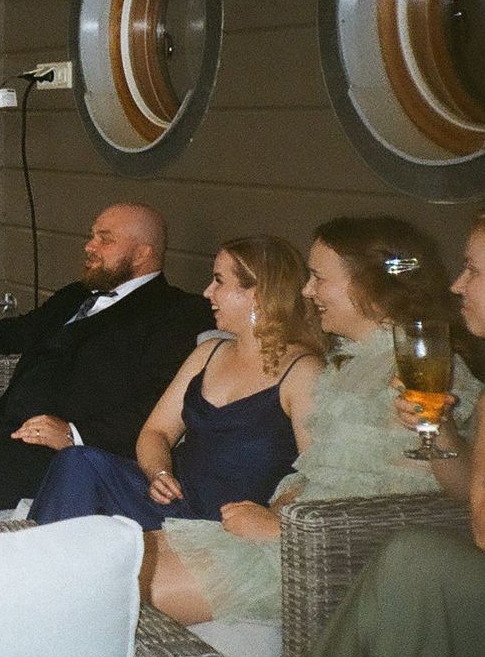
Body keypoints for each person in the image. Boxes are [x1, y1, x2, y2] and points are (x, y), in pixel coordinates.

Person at [149, 216, 481, 626]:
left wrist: (284, 530)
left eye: (319, 278)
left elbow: (445, 501)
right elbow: (316, 471)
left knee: (125, 583)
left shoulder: (427, 366)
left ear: (366, 285)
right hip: (295, 534)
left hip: (326, 564)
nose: (306, 291)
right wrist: (275, 510)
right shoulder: (345, 364)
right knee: (123, 553)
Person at [0, 202, 213, 543]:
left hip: (62, 452)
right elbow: (20, 330)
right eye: (92, 236)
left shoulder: (176, 314)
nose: (89, 247)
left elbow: (155, 405)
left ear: (142, 254)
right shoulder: (76, 295)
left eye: (105, 240)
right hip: (5, 426)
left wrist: (74, 434)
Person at [282, 214, 485, 657]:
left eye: (474, 271)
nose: (457, 284)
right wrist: (440, 428)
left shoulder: (421, 359)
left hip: (347, 544)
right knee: (410, 562)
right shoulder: (351, 362)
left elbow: (473, 518)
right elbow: (468, 494)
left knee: (412, 560)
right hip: (333, 536)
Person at [31, 235, 324, 530]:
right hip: (172, 501)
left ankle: (40, 553)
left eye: (219, 281)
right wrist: (159, 473)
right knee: (78, 461)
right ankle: (36, 552)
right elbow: (155, 432)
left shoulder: (303, 372)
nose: (208, 292)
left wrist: (272, 519)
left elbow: (317, 475)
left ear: (258, 293)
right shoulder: (209, 353)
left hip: (226, 521)